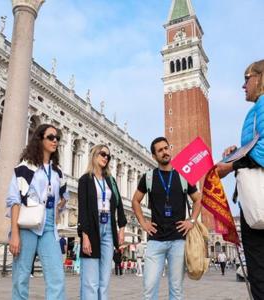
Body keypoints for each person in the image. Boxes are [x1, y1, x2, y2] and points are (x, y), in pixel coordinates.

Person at [132, 137, 202, 300]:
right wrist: (143, 223)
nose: (164, 152)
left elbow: (198, 199)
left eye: (166, 148)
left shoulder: (183, 176)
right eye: (160, 150)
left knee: (176, 290)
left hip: (178, 240)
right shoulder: (148, 177)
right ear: (154, 156)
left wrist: (191, 221)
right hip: (155, 240)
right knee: (149, 288)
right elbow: (135, 200)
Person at [217, 60, 264, 300]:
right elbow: (257, 146)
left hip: (258, 199)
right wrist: (238, 151)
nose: (243, 85)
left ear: (260, 78)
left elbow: (263, 151)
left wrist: (231, 165)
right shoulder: (256, 109)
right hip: (252, 197)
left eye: (247, 78)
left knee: (258, 272)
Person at [6, 124, 67, 300]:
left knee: (57, 276)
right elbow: (14, 200)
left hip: (48, 225)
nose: (55, 141)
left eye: (57, 138)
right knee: (21, 276)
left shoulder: (57, 171)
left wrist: (59, 207)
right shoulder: (26, 166)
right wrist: (15, 234)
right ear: (39, 139)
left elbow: (63, 196)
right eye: (50, 137)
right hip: (27, 223)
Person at [77, 144, 127, 300]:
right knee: (91, 281)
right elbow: (83, 209)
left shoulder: (111, 181)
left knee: (104, 280)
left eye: (108, 156)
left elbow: (119, 204)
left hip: (108, 230)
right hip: (92, 228)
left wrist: (122, 228)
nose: (106, 157)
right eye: (103, 154)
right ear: (94, 155)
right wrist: (84, 236)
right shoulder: (85, 180)